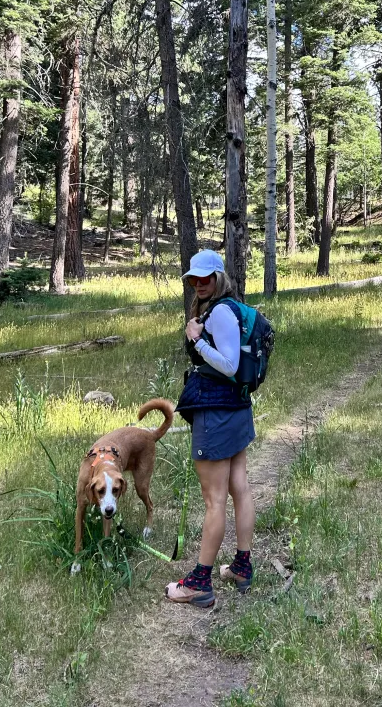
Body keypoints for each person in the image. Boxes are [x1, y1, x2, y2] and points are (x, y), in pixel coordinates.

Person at [165, 249, 256, 608]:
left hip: (216, 412)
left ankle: (199, 582)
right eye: (194, 279)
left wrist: (197, 340)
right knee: (239, 487)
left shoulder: (219, 312)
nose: (199, 284)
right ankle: (241, 566)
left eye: (206, 278)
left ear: (219, 278)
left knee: (214, 500)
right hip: (237, 408)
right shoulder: (229, 309)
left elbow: (231, 365)